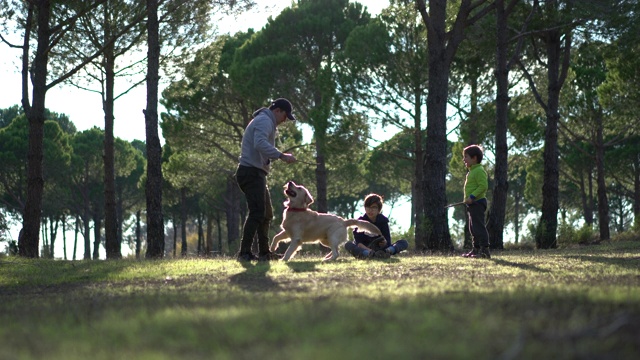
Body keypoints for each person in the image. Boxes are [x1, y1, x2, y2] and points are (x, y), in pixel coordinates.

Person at [235, 98, 297, 262]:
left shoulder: (265, 121)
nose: (284, 121)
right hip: (251, 172)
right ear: (277, 111)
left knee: (266, 214)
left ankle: (264, 252)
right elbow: (259, 143)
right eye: (285, 116)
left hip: (256, 173)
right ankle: (244, 253)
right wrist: (281, 155)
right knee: (257, 212)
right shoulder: (264, 120)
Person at [345, 193, 408, 259]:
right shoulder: (360, 222)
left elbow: (388, 241)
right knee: (348, 245)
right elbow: (358, 242)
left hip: (381, 250)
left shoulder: (383, 221)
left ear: (379, 210)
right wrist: (369, 251)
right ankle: (369, 255)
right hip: (365, 249)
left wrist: (384, 243)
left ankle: (386, 253)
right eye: (368, 207)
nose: (370, 210)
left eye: (374, 207)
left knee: (403, 242)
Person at [461, 144, 491, 259]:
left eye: (466, 157)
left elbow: (483, 186)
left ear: (474, 158)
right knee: (472, 228)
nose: (464, 159)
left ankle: (485, 251)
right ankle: (476, 250)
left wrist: (472, 197)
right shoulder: (471, 172)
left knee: (479, 227)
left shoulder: (479, 171)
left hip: (478, 203)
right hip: (473, 204)